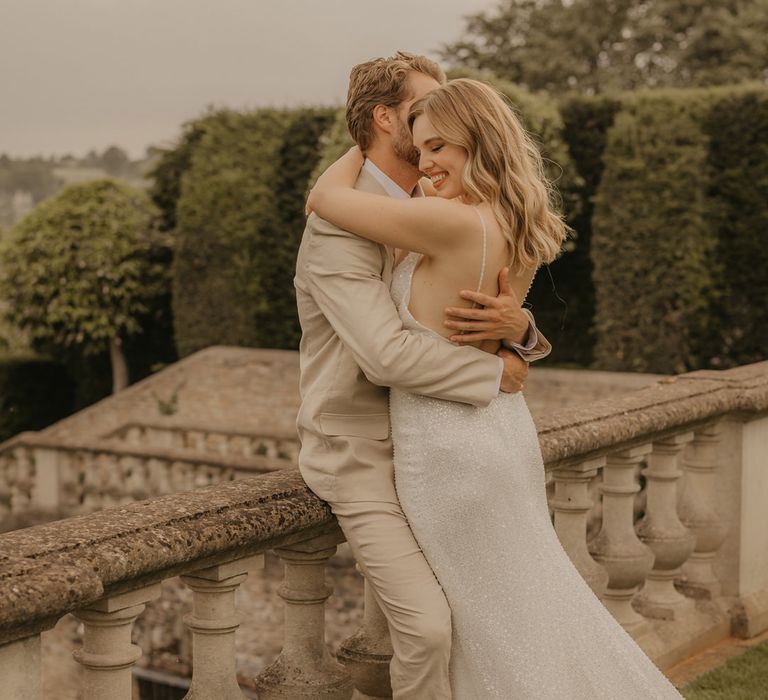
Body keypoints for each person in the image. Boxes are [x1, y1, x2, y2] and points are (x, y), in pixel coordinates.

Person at [307, 78, 685, 699]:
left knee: (487, 628)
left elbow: (323, 197)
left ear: (475, 141)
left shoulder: (447, 220)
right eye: (417, 144)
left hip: (446, 449)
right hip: (500, 436)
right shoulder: (521, 221)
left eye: (437, 146)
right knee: (529, 610)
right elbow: (497, 320)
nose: (425, 161)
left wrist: (359, 142)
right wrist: (522, 339)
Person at [294, 53, 551, 699]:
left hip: (445, 448)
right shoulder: (334, 228)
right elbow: (384, 355)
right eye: (421, 114)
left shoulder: (443, 199)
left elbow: (484, 305)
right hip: (364, 455)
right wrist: (498, 375)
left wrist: (522, 335)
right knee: (430, 630)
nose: (437, 126)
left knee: (498, 615)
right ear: (387, 119)